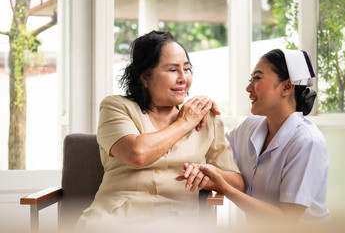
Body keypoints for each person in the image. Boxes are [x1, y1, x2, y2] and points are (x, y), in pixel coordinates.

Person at [75, 30, 243, 230]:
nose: (183, 78)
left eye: (187, 69)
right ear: (145, 77)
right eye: (172, 70)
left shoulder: (207, 118)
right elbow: (136, 153)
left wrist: (210, 176)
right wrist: (184, 123)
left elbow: (237, 184)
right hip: (112, 221)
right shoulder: (116, 106)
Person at [180, 49, 330, 222]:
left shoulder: (307, 142)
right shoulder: (251, 126)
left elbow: (287, 220)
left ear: (287, 87)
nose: (248, 88)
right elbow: (214, 152)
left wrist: (227, 189)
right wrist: (203, 112)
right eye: (250, 79)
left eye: (257, 78)